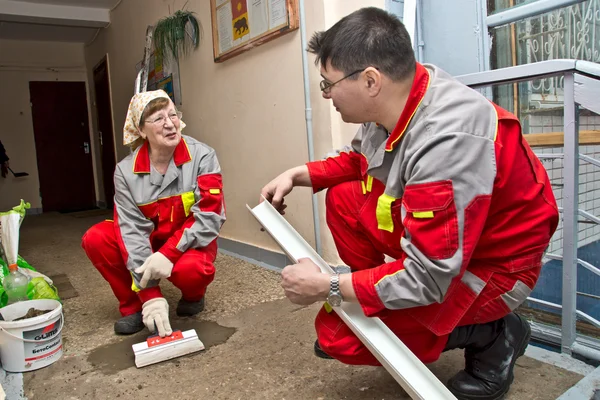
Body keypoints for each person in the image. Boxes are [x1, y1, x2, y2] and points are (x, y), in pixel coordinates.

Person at [260, 7, 558, 400]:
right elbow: (361, 160)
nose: (327, 95)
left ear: (370, 80)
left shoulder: (446, 145)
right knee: (346, 196)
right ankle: (381, 300)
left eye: (327, 84)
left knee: (341, 338)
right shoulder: (400, 97)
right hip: (458, 245)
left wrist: (330, 285)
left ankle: (497, 334)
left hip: (496, 268)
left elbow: (429, 277)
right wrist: (302, 174)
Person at [82, 90, 225, 338]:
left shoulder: (203, 156)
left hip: (186, 242)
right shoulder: (125, 172)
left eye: (173, 115)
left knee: (193, 270)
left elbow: (210, 214)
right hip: (148, 240)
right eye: (158, 119)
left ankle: (193, 296)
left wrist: (169, 253)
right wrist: (150, 294)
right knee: (97, 238)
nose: (170, 124)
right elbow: (131, 231)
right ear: (141, 130)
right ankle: (135, 304)